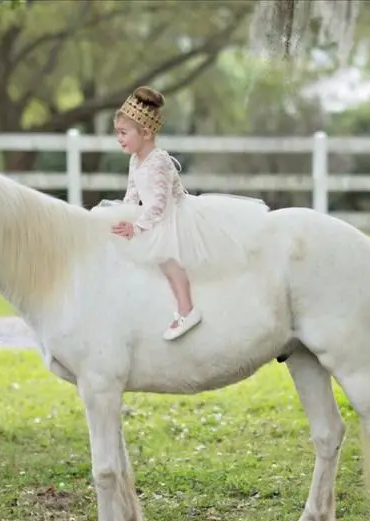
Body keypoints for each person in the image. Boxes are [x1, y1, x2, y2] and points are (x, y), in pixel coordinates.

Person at [111, 86, 270, 341]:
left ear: (147, 132)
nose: (118, 138)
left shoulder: (159, 160)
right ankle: (151, 308)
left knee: (167, 259)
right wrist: (124, 215)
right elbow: (133, 192)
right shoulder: (135, 160)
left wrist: (138, 227)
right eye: (117, 133)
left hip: (174, 216)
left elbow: (159, 204)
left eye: (123, 133)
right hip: (153, 217)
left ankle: (188, 310)